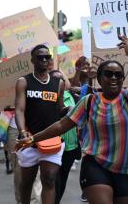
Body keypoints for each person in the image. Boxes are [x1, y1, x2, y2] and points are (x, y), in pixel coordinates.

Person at [17, 35, 128, 204]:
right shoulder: (89, 101)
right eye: (108, 74)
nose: (114, 78)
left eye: (118, 75)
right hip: (95, 165)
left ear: (123, 79)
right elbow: (61, 125)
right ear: (100, 79)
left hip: (125, 169)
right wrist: (32, 139)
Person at [15, 44, 66, 204]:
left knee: (49, 179)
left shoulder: (59, 83)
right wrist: (23, 132)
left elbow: (60, 108)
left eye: (47, 57)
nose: (44, 60)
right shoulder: (23, 82)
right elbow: (19, 110)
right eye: (40, 57)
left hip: (52, 141)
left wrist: (69, 109)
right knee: (26, 183)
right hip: (29, 141)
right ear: (32, 60)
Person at [49, 70, 79, 204]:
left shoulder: (72, 95)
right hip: (54, 144)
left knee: (63, 176)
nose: (59, 82)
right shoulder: (46, 97)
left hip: (70, 146)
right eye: (55, 79)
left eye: (61, 79)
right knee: (54, 178)